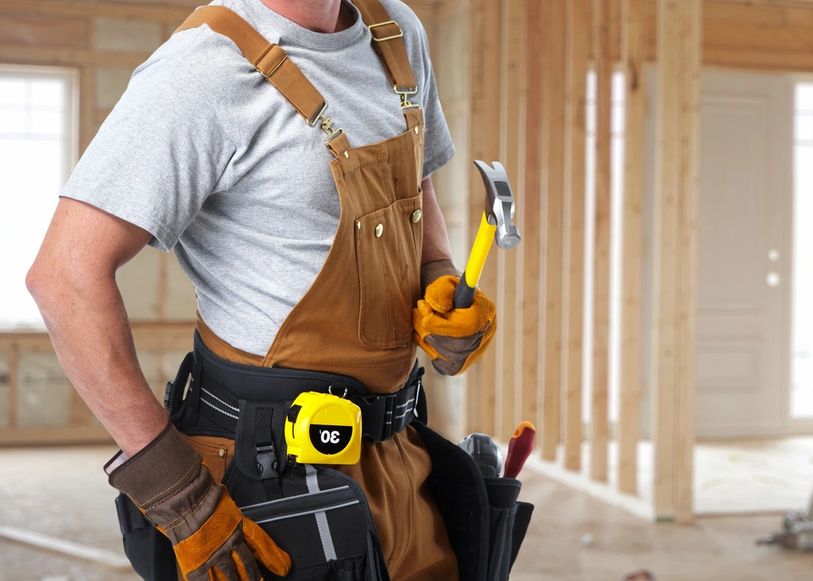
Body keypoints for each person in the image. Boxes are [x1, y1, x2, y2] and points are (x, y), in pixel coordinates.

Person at [26, 0, 495, 579]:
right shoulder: (202, 70)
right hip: (270, 477)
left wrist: (437, 274)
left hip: (401, 455)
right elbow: (64, 277)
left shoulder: (394, 32)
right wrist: (177, 494)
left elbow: (413, 179)